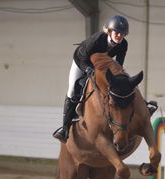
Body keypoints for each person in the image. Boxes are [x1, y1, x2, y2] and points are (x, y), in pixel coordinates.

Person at [53, 15, 129, 143]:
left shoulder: (123, 45)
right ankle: (64, 128)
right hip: (81, 61)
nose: (120, 36)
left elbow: (118, 64)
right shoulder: (98, 39)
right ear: (110, 31)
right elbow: (83, 57)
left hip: (100, 64)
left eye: (123, 34)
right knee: (72, 89)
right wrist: (88, 69)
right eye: (117, 33)